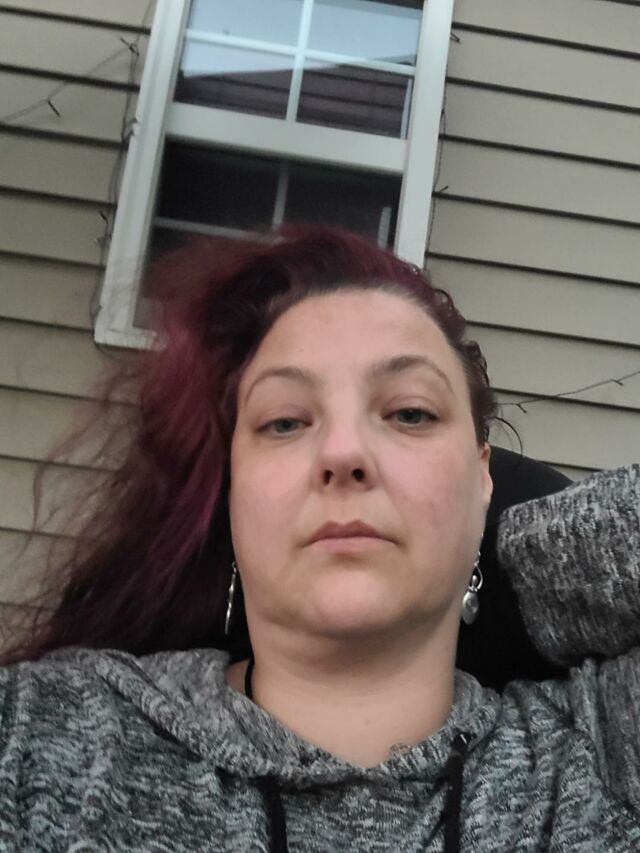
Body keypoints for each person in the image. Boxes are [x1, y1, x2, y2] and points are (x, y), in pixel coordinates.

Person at [0, 225, 638, 852]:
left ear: (482, 478)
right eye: (284, 422)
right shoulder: (43, 735)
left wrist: (516, 559)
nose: (343, 453)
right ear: (231, 492)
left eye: (410, 412)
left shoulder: (599, 760)